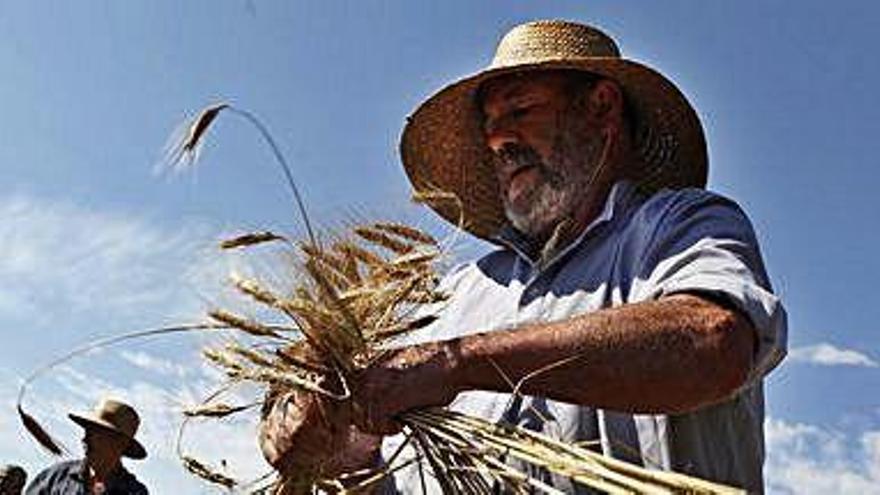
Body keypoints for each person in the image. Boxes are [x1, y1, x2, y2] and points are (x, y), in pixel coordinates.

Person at [259, 19, 787, 493]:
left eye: (520, 109)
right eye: (490, 125)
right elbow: (374, 469)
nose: (497, 142)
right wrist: (329, 438)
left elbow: (712, 341)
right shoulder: (456, 296)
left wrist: (458, 363)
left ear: (601, 108)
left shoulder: (677, 226)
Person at [25, 398, 148, 495]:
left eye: (96, 434)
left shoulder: (134, 492)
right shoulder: (55, 478)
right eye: (87, 432)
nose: (85, 440)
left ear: (120, 443)